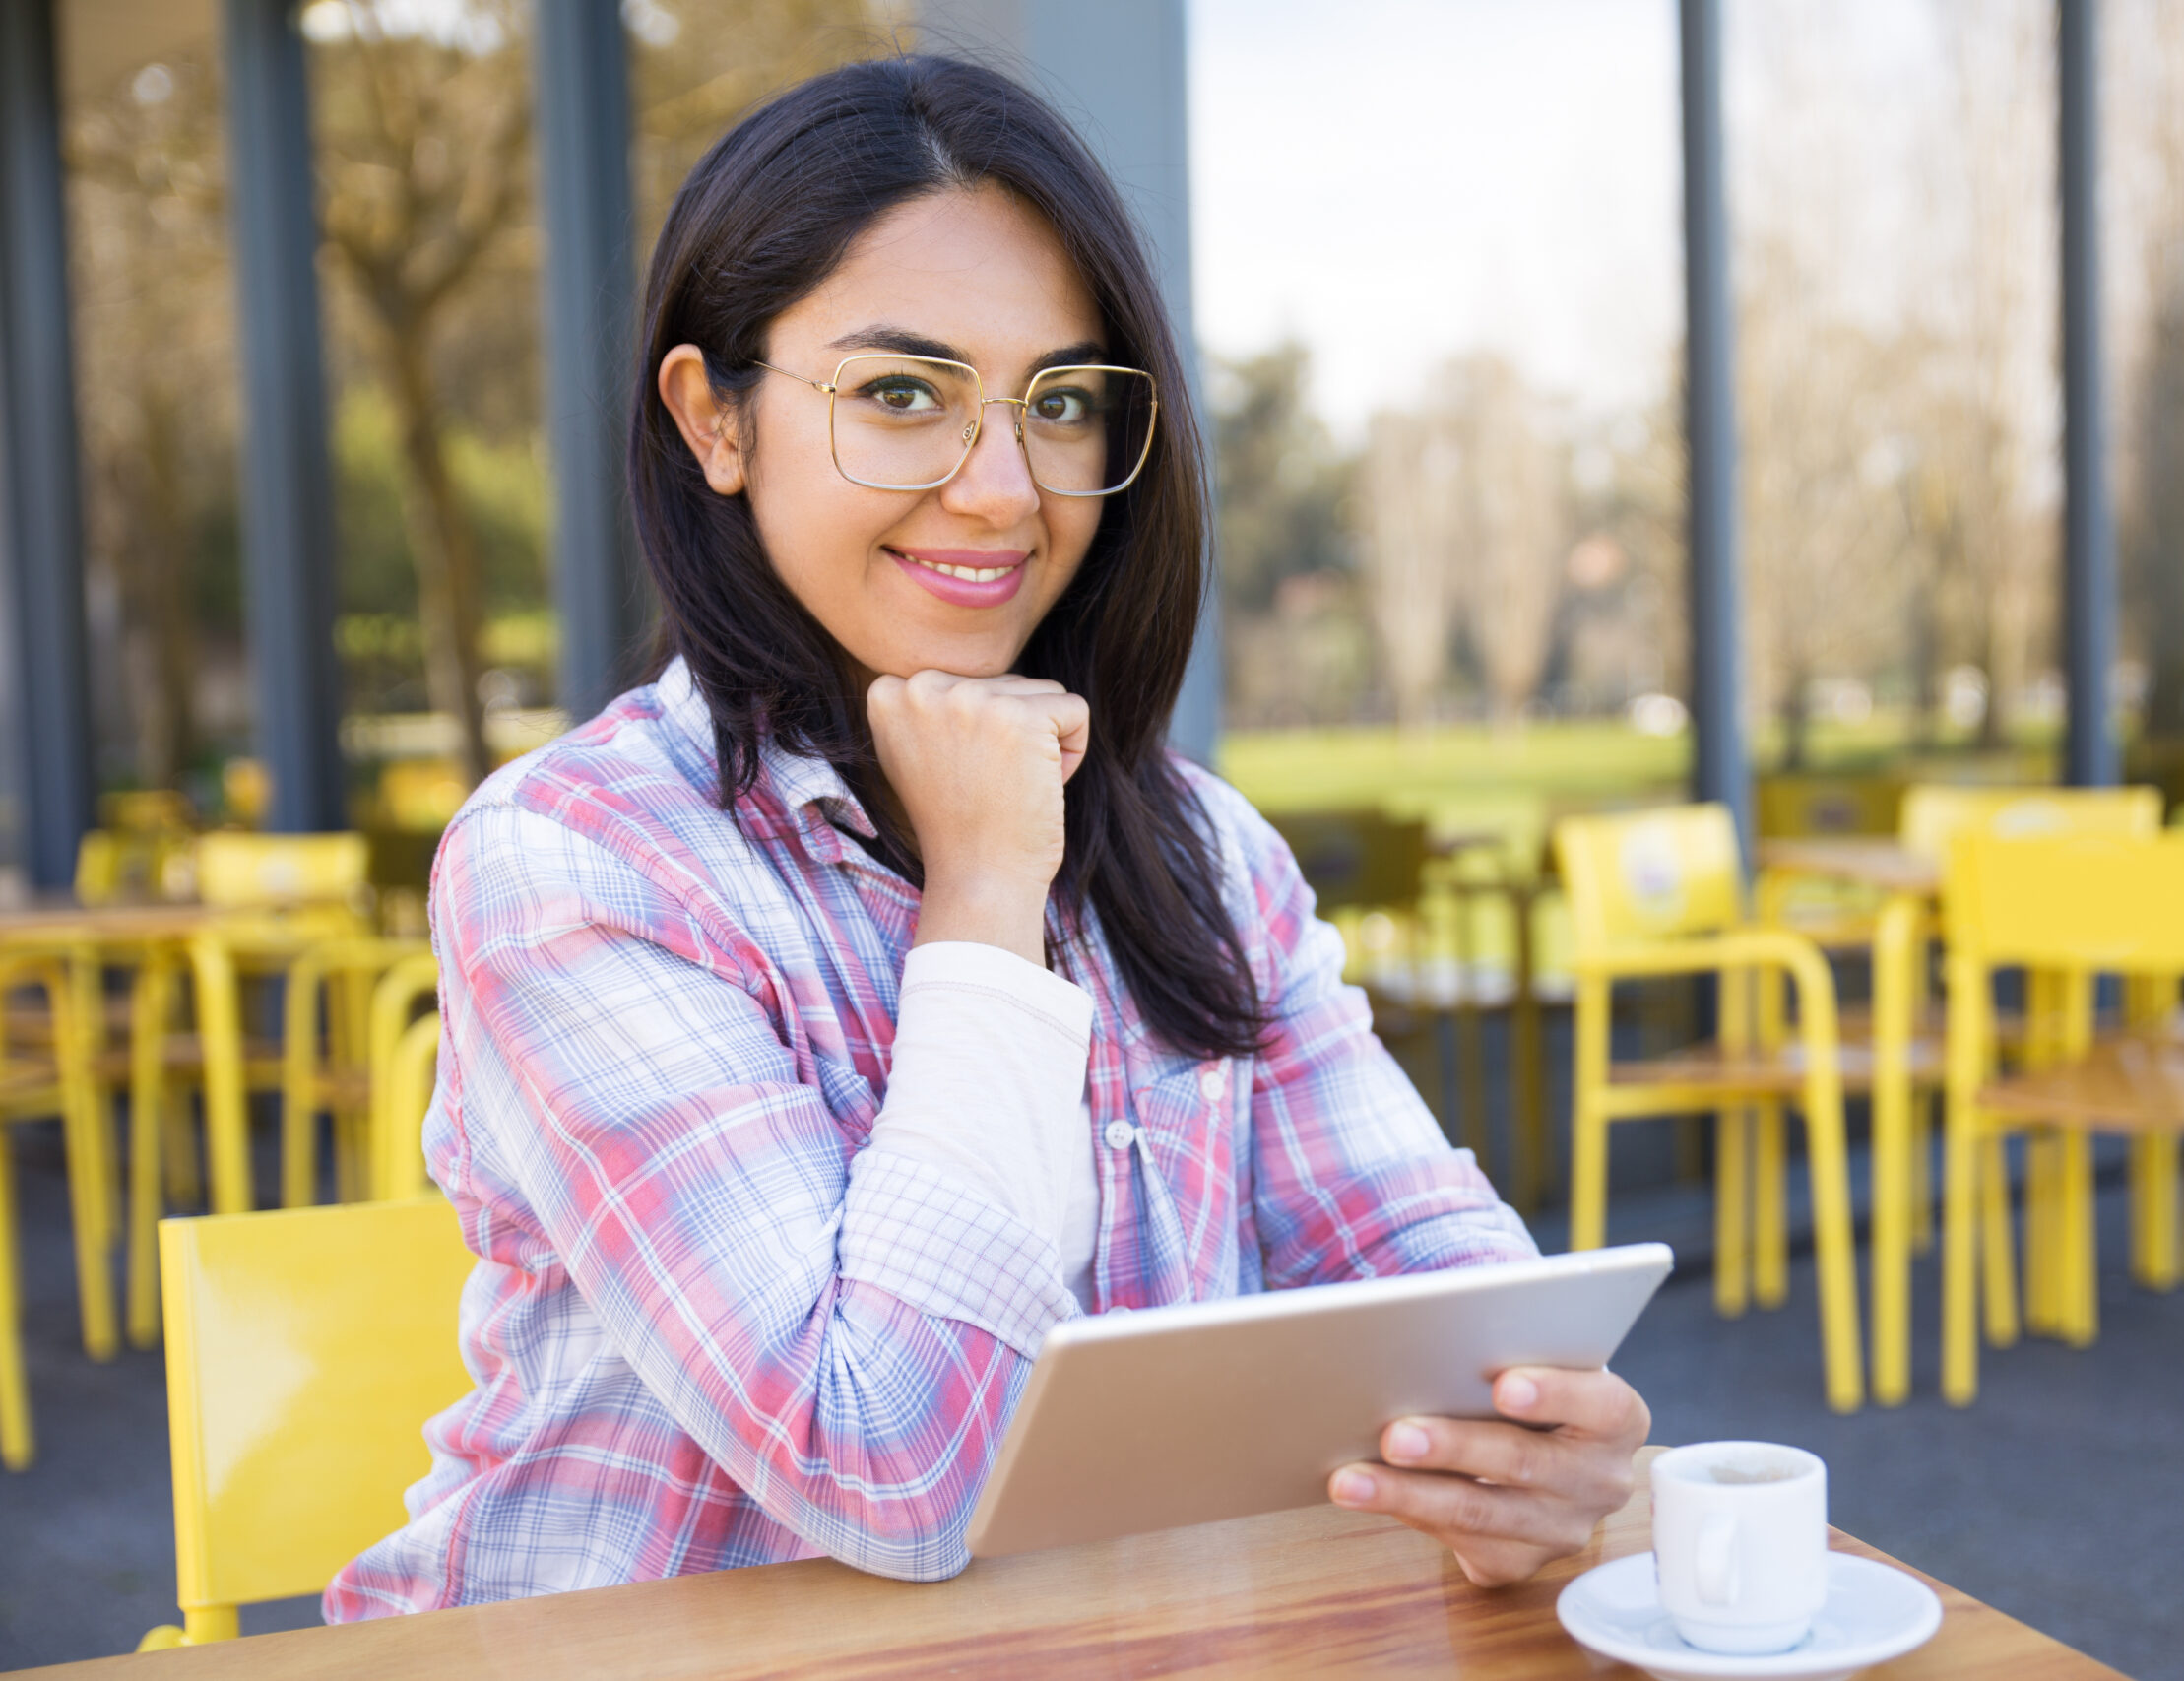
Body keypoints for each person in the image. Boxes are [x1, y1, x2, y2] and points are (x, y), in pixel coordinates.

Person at [328, 53, 1646, 1619]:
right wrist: (986, 888)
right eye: (900, 394)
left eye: (1062, 402)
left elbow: (1440, 1282)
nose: (1005, 491)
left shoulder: (1202, 849)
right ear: (714, 419)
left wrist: (1540, 1426)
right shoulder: (579, 860)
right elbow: (889, 1466)